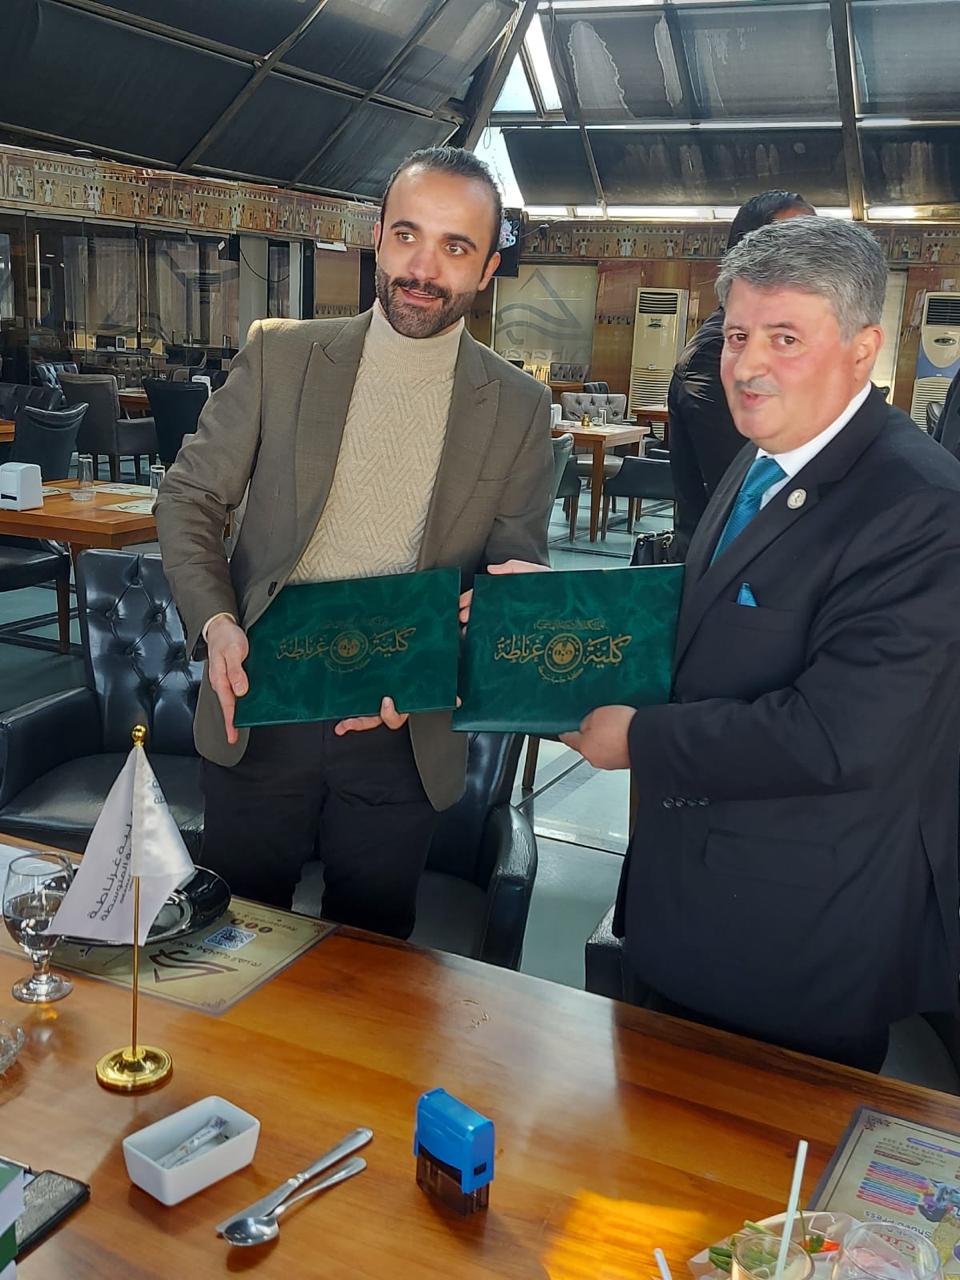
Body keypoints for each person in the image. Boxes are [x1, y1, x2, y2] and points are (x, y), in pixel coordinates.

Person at [563, 217, 960, 1070]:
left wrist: (639, 740)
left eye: (785, 337)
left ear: (863, 350)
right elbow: (710, 617)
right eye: (738, 335)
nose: (746, 366)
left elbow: (835, 737)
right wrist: (559, 604)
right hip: (686, 907)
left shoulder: (920, 507)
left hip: (793, 944)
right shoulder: (765, 454)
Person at [155, 146, 553, 940]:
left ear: (487, 268)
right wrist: (216, 622)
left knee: (369, 967)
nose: (422, 268)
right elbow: (189, 495)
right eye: (407, 236)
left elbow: (510, 577)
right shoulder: (282, 357)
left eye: (455, 247)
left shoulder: (517, 407)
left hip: (401, 731)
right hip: (260, 700)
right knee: (230, 947)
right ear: (377, 237)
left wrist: (476, 632)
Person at [669, 191, 815, 560]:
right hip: (730, 564)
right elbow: (743, 486)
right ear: (747, 257)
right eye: (796, 247)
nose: (816, 261)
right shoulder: (716, 354)